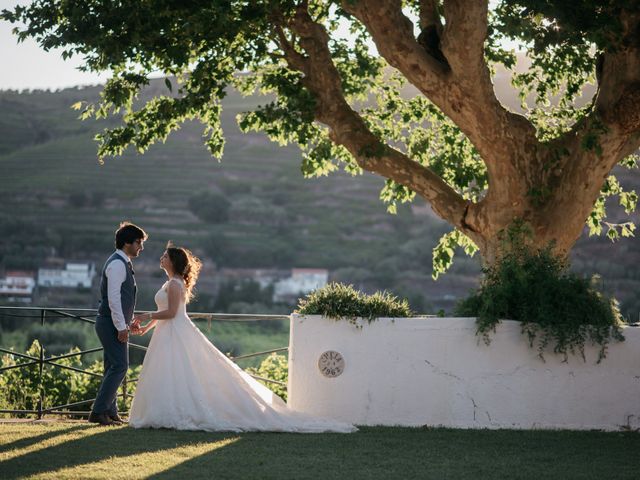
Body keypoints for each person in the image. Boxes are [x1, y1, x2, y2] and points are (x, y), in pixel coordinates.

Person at [129, 243, 356, 433]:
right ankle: (165, 411)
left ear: (174, 261)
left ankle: (179, 412)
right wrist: (147, 327)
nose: (161, 258)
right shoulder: (170, 283)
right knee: (170, 373)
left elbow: (171, 313)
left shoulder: (175, 283)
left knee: (181, 372)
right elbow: (167, 314)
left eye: (165, 256)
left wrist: (144, 315)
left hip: (176, 334)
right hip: (167, 333)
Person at [89, 222, 147, 426]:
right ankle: (98, 412)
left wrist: (128, 322)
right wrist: (121, 327)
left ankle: (110, 411)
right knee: (120, 366)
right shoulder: (117, 264)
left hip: (113, 322)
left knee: (112, 367)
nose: (141, 247)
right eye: (138, 242)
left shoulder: (122, 263)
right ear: (126, 243)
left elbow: (120, 300)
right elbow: (113, 298)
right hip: (110, 324)